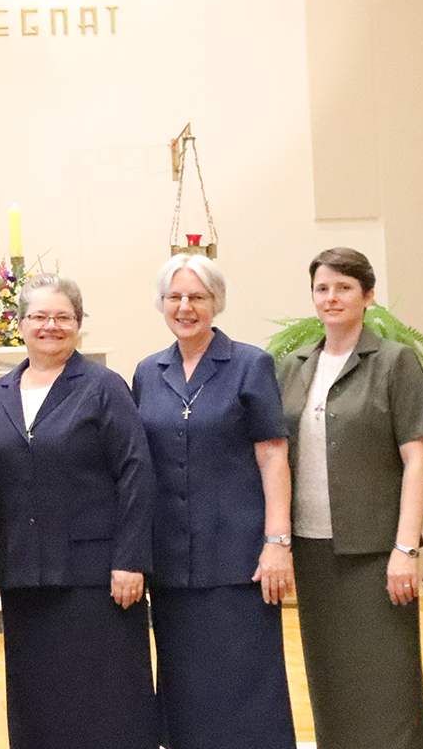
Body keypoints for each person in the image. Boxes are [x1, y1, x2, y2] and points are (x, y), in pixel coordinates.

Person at [0, 274, 157, 749]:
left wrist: (130, 559)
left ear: (78, 325)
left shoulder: (103, 387)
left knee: (107, 700)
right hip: (24, 577)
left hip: (96, 577)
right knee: (38, 701)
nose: (50, 326)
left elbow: (136, 473)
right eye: (39, 316)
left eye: (62, 317)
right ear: (21, 324)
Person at [132, 255, 297, 749]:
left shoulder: (250, 364)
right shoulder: (147, 371)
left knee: (247, 686)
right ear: (162, 303)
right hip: (172, 562)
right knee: (183, 689)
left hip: (238, 557)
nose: (185, 307)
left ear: (215, 302)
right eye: (175, 297)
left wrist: (277, 542)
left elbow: (273, 457)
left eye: (197, 297)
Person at [276, 249, 423, 749]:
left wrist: (406, 549)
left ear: (368, 296)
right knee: (331, 679)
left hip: (376, 551)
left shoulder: (394, 361)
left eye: (344, 287)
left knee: (389, 682)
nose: (331, 297)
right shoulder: (294, 367)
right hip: (313, 548)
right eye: (322, 288)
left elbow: (418, 458)